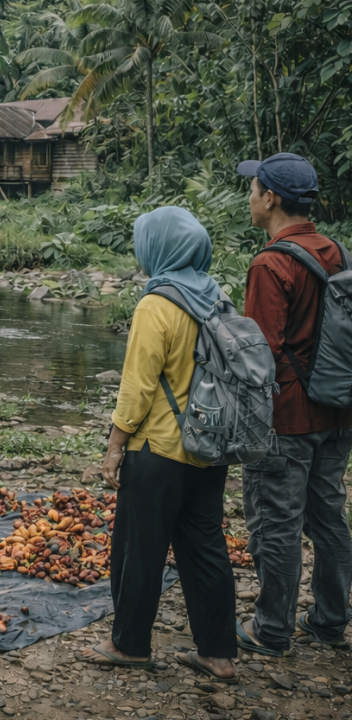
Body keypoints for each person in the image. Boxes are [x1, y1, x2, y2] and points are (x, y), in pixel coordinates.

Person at [80, 206, 237, 683]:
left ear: (157, 248)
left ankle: (129, 644)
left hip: (160, 450)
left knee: (139, 548)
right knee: (206, 548)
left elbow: (137, 388)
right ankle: (218, 654)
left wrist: (114, 447)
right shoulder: (217, 297)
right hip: (210, 448)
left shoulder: (156, 304)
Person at [235, 153, 352, 656]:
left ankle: (272, 630)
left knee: (276, 522)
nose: (250, 196)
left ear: (272, 199)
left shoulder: (271, 262)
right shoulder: (338, 252)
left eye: (254, 187)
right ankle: (329, 620)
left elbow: (259, 353)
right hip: (339, 410)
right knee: (329, 516)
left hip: (287, 418)